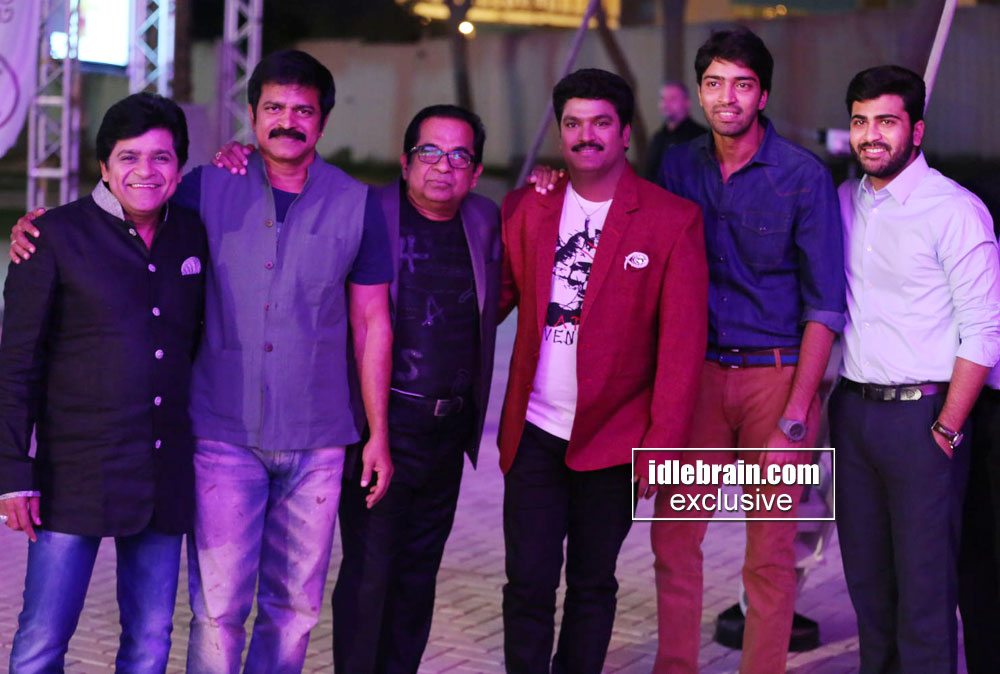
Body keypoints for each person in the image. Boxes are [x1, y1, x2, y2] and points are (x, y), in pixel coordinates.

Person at [9, 49, 395, 673]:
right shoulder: (193, 192)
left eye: (303, 111)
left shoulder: (340, 204)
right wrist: (41, 228)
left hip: (276, 448)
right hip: (178, 447)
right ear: (252, 115)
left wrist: (378, 432)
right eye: (274, 108)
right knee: (199, 613)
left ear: (323, 121)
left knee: (266, 615)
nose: (288, 121)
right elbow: (21, 360)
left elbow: (371, 321)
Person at [209, 102, 501, 673]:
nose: (443, 166)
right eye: (429, 151)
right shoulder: (366, 210)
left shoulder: (485, 219)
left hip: (448, 428)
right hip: (378, 425)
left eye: (459, 156)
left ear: (476, 172)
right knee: (370, 576)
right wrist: (238, 158)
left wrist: (550, 177)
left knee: (418, 576)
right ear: (405, 161)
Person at [499, 68, 708, 674]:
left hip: (616, 438)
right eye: (572, 123)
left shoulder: (672, 220)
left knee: (593, 583)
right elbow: (491, 301)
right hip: (535, 431)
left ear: (624, 133)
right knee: (527, 582)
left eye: (600, 123)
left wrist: (660, 449)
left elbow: (681, 347)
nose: (585, 135)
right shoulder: (528, 206)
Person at [651, 28, 845, 673]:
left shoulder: (803, 177)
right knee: (674, 541)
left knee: (769, 554)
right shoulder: (677, 166)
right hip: (697, 383)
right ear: (699, 92)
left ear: (762, 95)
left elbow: (825, 305)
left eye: (742, 84)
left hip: (776, 382)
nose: (726, 97)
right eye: (714, 83)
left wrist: (797, 414)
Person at [0, 92, 206, 673]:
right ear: (105, 166)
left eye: (161, 157)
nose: (146, 171)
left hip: (162, 473)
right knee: (42, 640)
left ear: (180, 167)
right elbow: (16, 364)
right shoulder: (52, 237)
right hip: (72, 475)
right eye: (129, 157)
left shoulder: (193, 234)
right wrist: (12, 475)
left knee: (150, 640)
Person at [830, 65, 1000, 674]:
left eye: (886, 121)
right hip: (852, 414)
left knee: (925, 597)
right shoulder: (843, 202)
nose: (870, 135)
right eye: (859, 121)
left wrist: (948, 426)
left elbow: (984, 332)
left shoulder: (956, 211)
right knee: (869, 592)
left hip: (924, 419)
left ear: (917, 130)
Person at [642, 81, 706, 181]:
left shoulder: (701, 137)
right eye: (663, 99)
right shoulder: (658, 138)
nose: (666, 104)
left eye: (672, 99)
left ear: (687, 103)